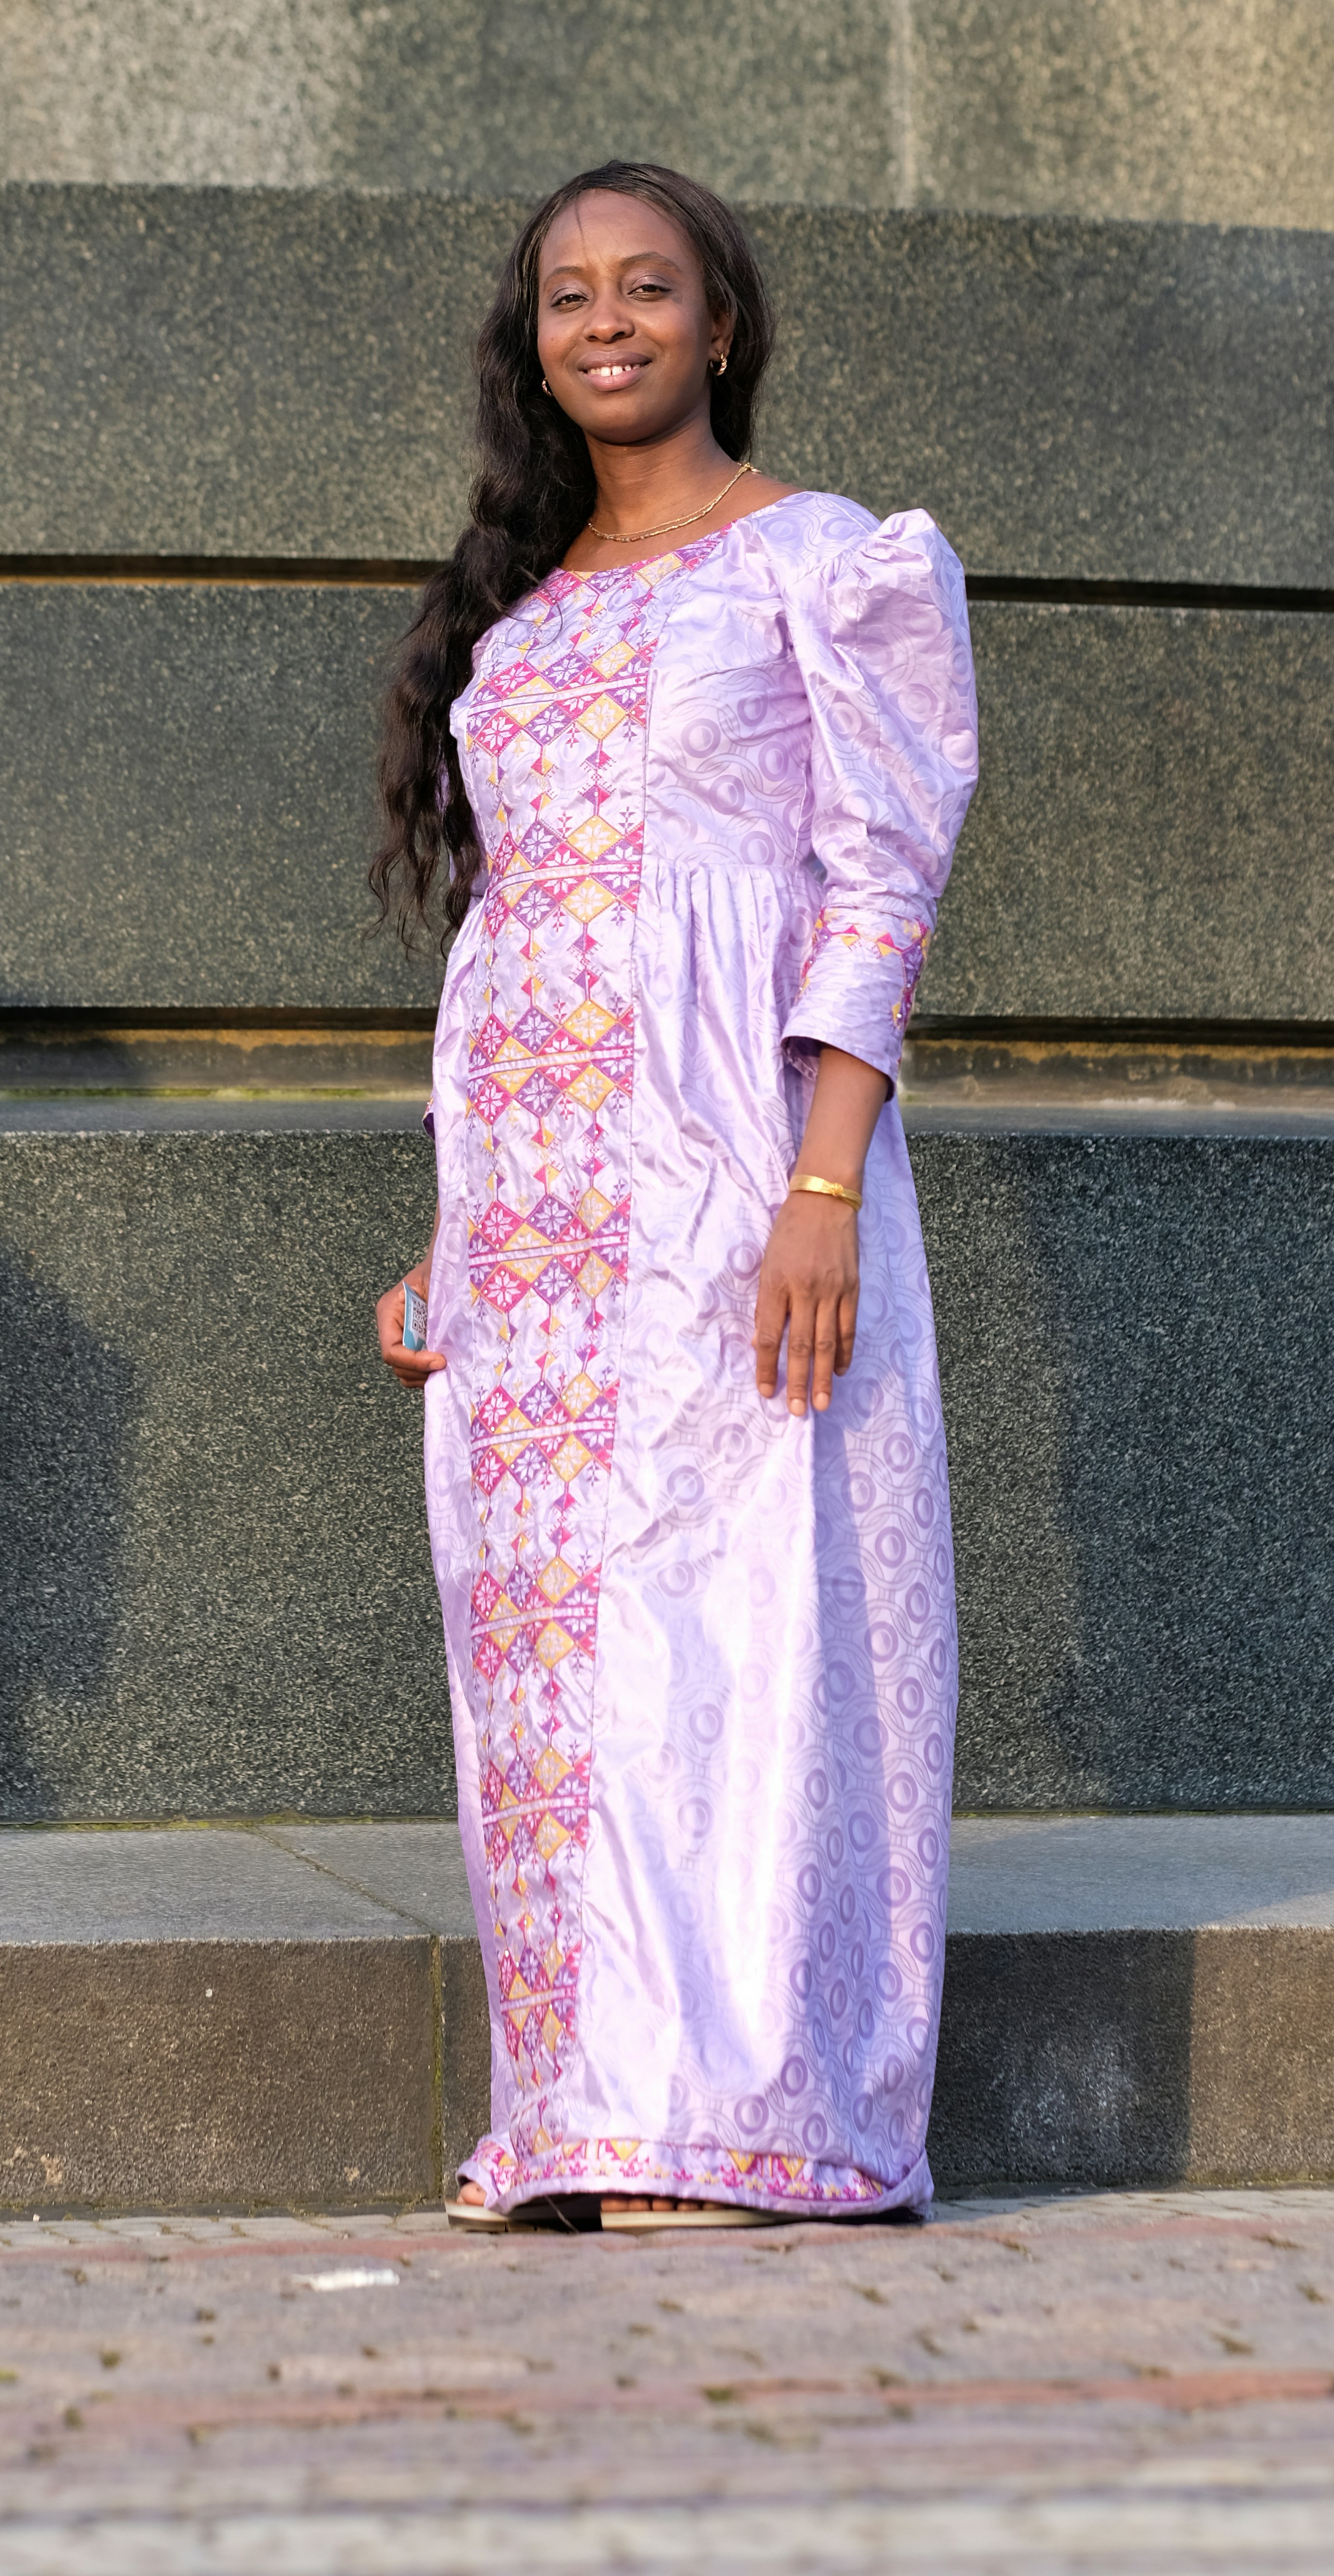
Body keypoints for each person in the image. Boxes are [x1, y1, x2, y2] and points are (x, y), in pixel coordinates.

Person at [372, 161, 977, 2231]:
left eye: (649, 287)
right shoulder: (519, 625)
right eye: (567, 293)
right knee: (547, 1645)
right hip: (537, 1232)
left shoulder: (831, 563)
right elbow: (522, 955)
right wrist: (459, 1231)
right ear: (529, 342)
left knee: (728, 1617)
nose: (605, 319)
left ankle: (742, 2115)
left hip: (738, 1179)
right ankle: (585, 2105)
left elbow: (876, 883)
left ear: (724, 323)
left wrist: (825, 1181)